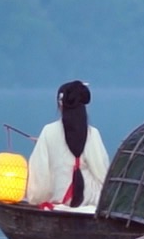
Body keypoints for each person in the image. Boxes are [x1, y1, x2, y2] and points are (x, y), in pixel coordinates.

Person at [25, 80, 110, 210]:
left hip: (60, 199)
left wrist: (36, 198)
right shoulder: (93, 133)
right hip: (91, 200)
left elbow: (39, 174)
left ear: (60, 105)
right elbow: (102, 172)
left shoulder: (48, 131)